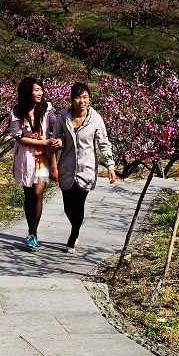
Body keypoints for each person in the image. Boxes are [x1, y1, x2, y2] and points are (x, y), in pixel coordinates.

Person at [54, 82, 117, 253]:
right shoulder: (63, 117)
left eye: (85, 97)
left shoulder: (96, 119)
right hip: (66, 167)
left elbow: (104, 143)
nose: (81, 101)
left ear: (89, 99)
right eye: (78, 97)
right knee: (68, 206)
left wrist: (110, 166)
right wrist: (58, 141)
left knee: (79, 203)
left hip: (86, 168)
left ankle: (73, 235)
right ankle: (77, 226)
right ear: (71, 99)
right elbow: (56, 136)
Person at [7, 76, 60, 250]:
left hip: (43, 157)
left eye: (40, 89)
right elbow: (18, 137)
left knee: (38, 192)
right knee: (29, 194)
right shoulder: (17, 111)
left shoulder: (46, 108)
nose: (40, 93)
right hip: (26, 156)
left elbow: (54, 129)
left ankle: (33, 232)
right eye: (36, 90)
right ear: (26, 92)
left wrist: (53, 145)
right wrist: (42, 142)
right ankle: (31, 232)